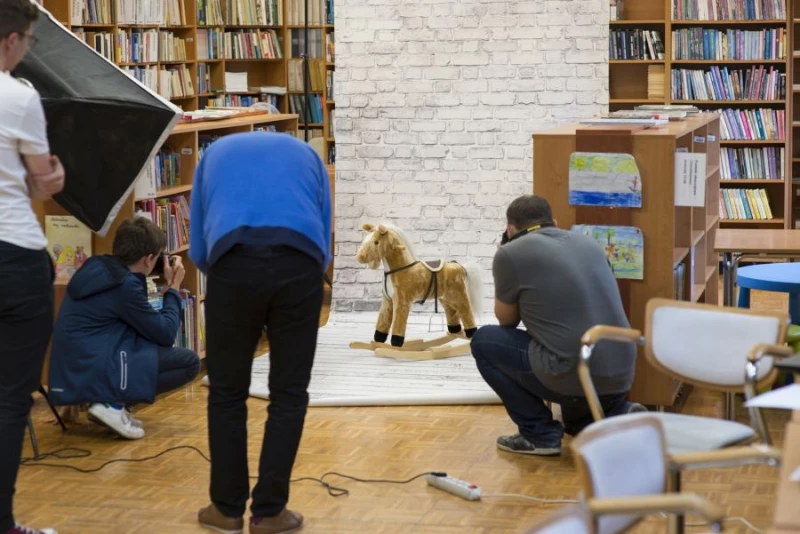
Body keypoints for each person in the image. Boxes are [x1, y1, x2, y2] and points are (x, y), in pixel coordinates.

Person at [190, 132, 331, 534]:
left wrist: (225, 278)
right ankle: (269, 513)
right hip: (299, 262)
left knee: (227, 392)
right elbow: (324, 234)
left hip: (233, 261)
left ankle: (226, 510)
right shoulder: (307, 154)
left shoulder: (213, 154)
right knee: (289, 393)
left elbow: (198, 243)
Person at [471, 194, 644, 457]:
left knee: (484, 341)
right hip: (621, 370)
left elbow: (507, 321)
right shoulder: (589, 243)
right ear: (553, 222)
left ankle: (539, 434)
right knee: (575, 419)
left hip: (571, 370)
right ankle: (618, 413)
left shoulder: (509, 253)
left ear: (510, 230)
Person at [0, 0, 66, 532]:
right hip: (14, 255)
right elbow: (42, 182)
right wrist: (53, 176)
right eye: (28, 40)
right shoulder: (19, 96)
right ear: (11, 40)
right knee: (9, 398)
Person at [48, 217, 201, 440]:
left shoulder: (94, 267)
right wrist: (173, 289)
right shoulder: (124, 285)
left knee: (140, 342)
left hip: (69, 373)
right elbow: (166, 334)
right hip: (93, 366)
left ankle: (97, 399)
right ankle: (112, 404)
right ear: (148, 259)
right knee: (189, 362)